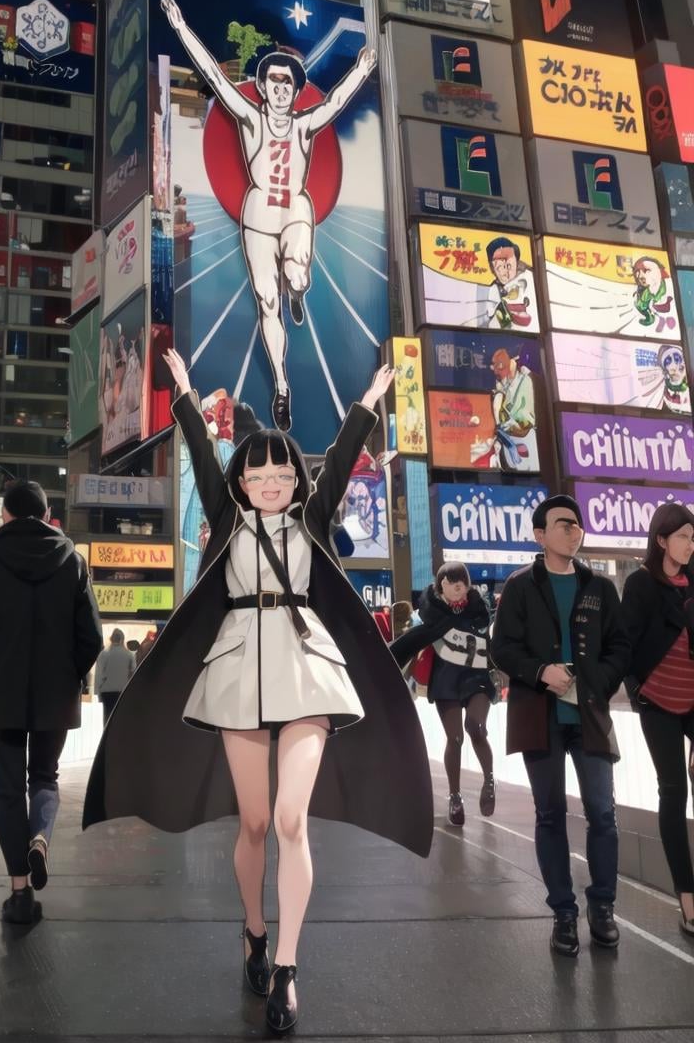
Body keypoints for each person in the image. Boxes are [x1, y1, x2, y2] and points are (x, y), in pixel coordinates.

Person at [84, 350, 431, 1035]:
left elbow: (340, 459)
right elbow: (198, 450)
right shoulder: (227, 513)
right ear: (240, 479)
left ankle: (288, 969)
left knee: (290, 822)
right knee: (251, 824)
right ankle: (253, 929)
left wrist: (369, 398)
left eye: (281, 470)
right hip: (239, 668)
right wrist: (183, 390)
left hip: (305, 668)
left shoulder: (314, 517)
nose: (270, 478)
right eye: (256, 469)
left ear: (294, 479)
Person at [161, 0, 376, 431]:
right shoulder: (250, 118)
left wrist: (361, 70)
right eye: (273, 80)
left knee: (297, 275)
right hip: (258, 212)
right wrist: (181, 26)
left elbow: (334, 103)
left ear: (295, 91)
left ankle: (298, 286)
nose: (279, 87)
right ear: (263, 86)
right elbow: (216, 81)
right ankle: (281, 385)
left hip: (296, 206)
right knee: (267, 300)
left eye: (286, 82)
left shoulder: (303, 123)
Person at [0, 480, 102, 924]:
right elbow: (91, 637)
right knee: (44, 776)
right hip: (55, 693)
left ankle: (19, 893)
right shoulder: (73, 563)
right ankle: (41, 837)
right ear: (46, 514)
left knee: (6, 792)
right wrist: (69, 675)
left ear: (6, 515)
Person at [490, 494, 630, 957]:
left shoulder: (601, 587)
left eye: (577, 524)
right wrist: (539, 673)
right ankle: (564, 914)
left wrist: (599, 682)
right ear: (539, 534)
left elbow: (619, 648)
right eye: (563, 524)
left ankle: (603, 908)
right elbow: (502, 648)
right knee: (549, 814)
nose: (574, 530)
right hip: (540, 716)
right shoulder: (519, 586)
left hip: (589, 716)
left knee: (603, 814)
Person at [622, 503, 694, 938]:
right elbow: (626, 643)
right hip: (659, 703)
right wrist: (637, 691)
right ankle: (688, 898)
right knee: (674, 792)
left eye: (693, 537)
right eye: (683, 536)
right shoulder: (642, 584)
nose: (690, 544)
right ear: (662, 539)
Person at [390, 563, 496, 825]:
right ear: (441, 587)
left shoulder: (480, 612)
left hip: (476, 679)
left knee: (477, 727)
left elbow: (499, 645)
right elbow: (408, 644)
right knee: (455, 738)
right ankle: (455, 796)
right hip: (446, 681)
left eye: (462, 580)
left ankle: (489, 780)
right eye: (452, 581)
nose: (459, 585)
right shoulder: (430, 616)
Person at [94, 629, 135, 722]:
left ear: (111, 639)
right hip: (123, 691)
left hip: (106, 691)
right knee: (121, 719)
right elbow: (133, 672)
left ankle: (107, 735)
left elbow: (99, 674)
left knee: (107, 718)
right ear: (122, 639)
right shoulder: (129, 655)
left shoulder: (104, 654)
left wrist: (97, 692)